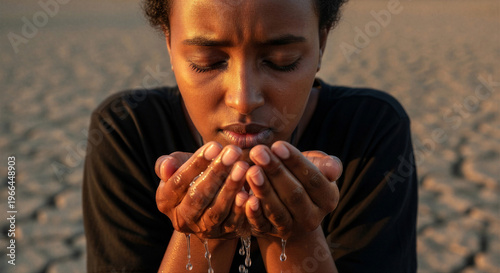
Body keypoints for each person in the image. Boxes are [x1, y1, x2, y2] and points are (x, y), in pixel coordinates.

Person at [83, 0, 418, 272]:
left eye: (282, 61)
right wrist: (204, 235)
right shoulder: (127, 132)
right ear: (170, 44)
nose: (243, 99)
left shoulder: (370, 130)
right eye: (207, 62)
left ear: (321, 43)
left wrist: (298, 232)